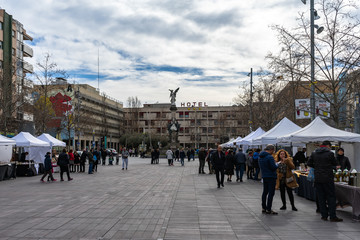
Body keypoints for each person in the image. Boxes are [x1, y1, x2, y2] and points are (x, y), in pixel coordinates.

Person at [307, 140, 343, 222]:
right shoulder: (330, 154)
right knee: (331, 197)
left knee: (321, 197)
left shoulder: (314, 153)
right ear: (328, 146)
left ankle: (324, 215)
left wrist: (317, 167)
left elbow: (309, 163)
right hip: (328, 178)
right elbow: (335, 164)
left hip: (318, 178)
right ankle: (333, 216)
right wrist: (330, 167)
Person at [259, 144, 278, 215]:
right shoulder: (269, 157)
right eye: (273, 150)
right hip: (271, 176)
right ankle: (268, 208)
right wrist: (277, 164)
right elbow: (273, 167)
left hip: (264, 176)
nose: (273, 152)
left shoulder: (260, 157)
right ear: (271, 150)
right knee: (271, 193)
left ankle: (263, 207)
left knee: (265, 192)